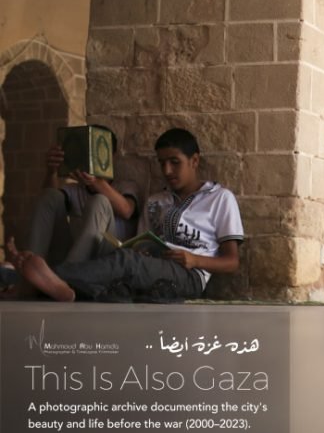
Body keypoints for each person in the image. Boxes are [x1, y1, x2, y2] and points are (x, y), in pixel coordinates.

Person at [5, 128, 243, 302]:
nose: (167, 170)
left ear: (194, 160)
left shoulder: (220, 198)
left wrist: (195, 260)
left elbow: (232, 261)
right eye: (162, 163)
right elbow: (137, 246)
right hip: (149, 266)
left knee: (127, 264)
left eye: (174, 162)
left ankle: (41, 280)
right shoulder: (155, 201)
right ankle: (63, 288)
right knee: (122, 272)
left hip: (189, 274)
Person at [27, 126, 140, 265]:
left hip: (108, 260)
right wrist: (52, 172)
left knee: (100, 201)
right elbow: (48, 204)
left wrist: (96, 182)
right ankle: (31, 268)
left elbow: (126, 210)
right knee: (49, 195)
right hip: (74, 254)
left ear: (112, 156)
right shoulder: (75, 189)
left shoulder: (126, 186)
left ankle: (68, 275)